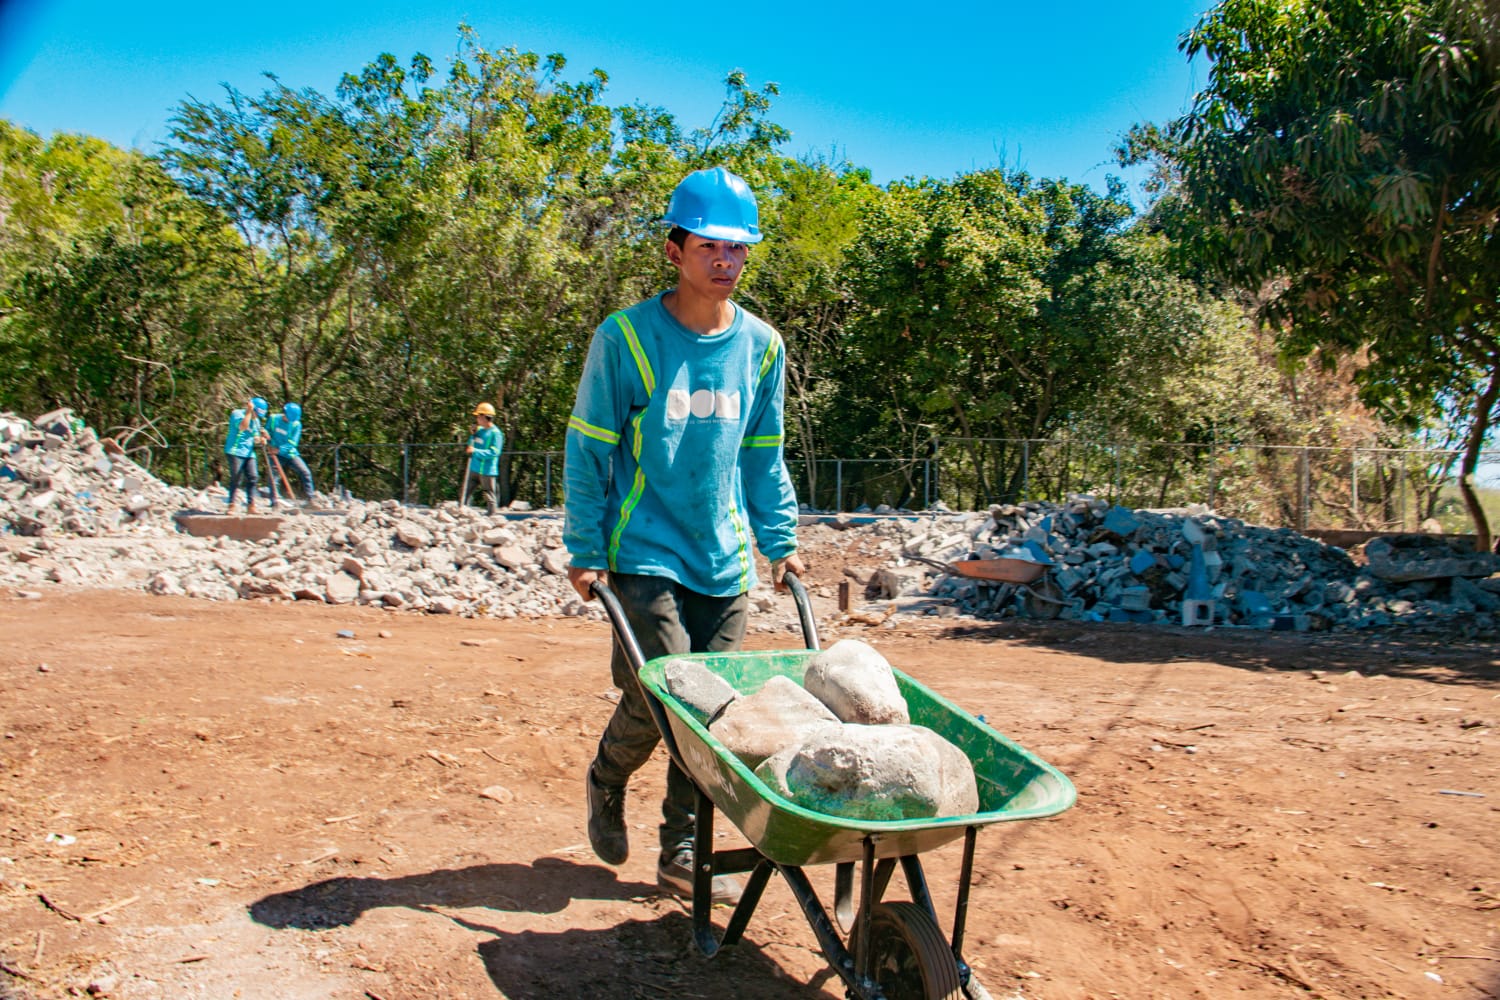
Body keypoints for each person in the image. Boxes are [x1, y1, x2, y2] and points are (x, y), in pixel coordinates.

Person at [564, 166, 806, 905]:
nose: (725, 262)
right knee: (667, 695)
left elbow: (764, 455)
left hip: (724, 556)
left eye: (738, 249)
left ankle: (682, 850)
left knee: (711, 711)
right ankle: (608, 777)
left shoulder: (763, 347)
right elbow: (589, 447)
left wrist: (780, 538)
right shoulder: (627, 338)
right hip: (642, 550)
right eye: (710, 246)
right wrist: (584, 548)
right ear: (674, 250)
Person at [223, 397, 268, 514]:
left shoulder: (256, 421)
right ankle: (231, 504)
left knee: (253, 477)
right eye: (256, 413)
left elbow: (255, 438)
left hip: (249, 453)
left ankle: (251, 505)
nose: (257, 417)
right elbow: (242, 427)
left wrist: (261, 440)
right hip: (235, 451)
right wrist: (249, 412)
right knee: (236, 477)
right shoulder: (237, 414)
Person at [268, 402, 316, 504]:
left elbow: (292, 443)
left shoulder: (296, 425)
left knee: (305, 472)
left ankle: (310, 499)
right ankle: (275, 502)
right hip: (275, 455)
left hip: (290, 454)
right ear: (284, 413)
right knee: (273, 477)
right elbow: (267, 432)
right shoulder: (273, 419)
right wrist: (265, 437)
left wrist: (279, 449)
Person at [464, 402, 504, 515]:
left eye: (478, 416)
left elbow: (495, 452)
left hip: (487, 470)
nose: (477, 418)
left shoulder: (496, 434)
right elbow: (470, 446)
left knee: (489, 495)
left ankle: (491, 516)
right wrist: (472, 435)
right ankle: (462, 510)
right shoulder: (479, 431)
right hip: (474, 467)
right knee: (466, 491)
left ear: (485, 417)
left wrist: (476, 451)